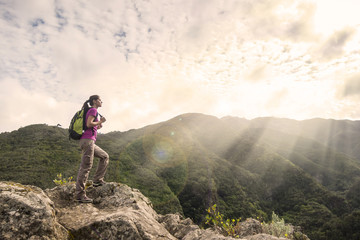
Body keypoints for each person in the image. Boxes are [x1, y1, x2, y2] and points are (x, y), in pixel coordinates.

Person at [75, 95, 109, 203]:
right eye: (99, 100)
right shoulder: (93, 110)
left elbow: (90, 125)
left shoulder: (93, 111)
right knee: (86, 167)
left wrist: (98, 126)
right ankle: (79, 195)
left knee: (104, 156)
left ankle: (97, 180)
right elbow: (89, 124)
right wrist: (100, 122)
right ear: (94, 101)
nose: (101, 101)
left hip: (89, 141)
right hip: (87, 140)